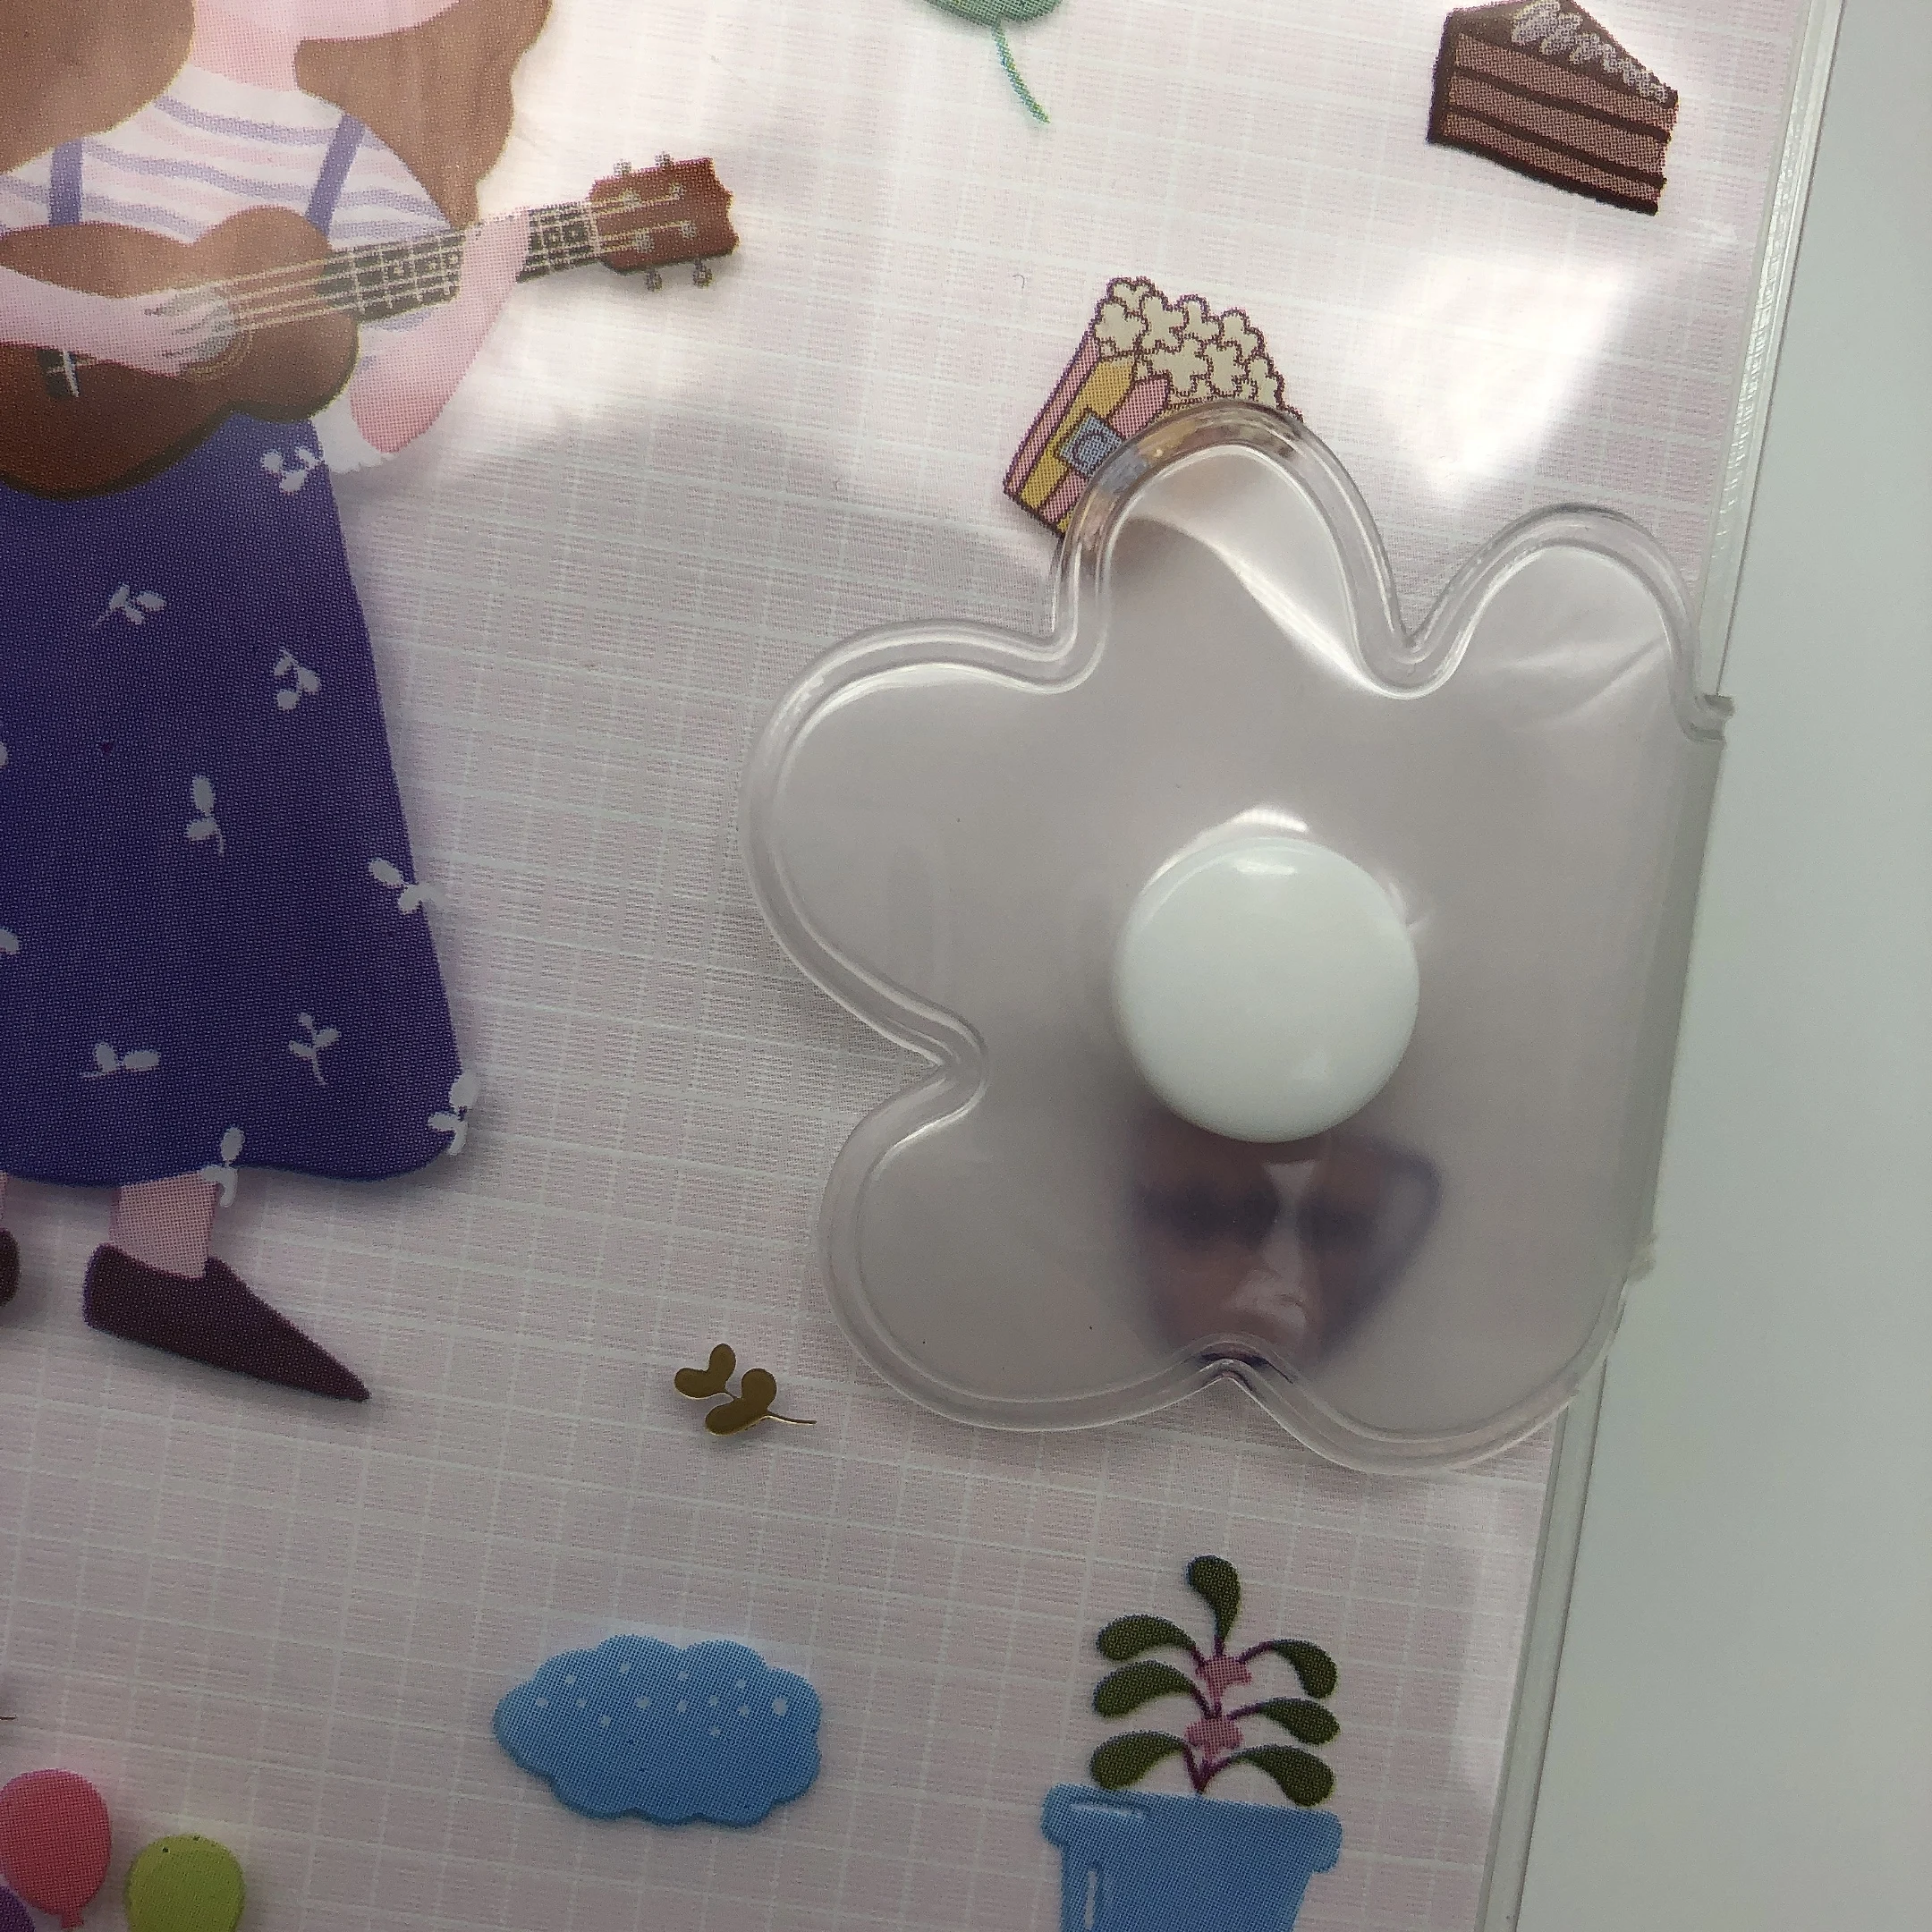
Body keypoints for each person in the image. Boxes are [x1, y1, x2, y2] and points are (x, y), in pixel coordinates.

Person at [0, 0, 550, 1399]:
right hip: (33, 542)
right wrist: (109, 327)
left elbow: (371, 425)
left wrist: (476, 297)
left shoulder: (350, 171)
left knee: (214, 880)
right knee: (29, 844)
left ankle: (161, 1256)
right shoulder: (71, 102)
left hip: (237, 581)